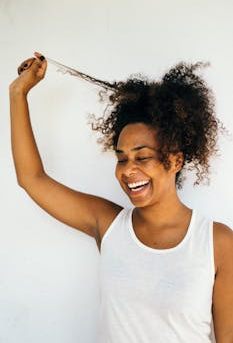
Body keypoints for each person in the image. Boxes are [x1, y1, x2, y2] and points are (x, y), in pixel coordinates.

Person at [9, 52, 233, 343]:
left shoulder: (217, 243)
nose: (129, 170)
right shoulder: (109, 225)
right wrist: (17, 94)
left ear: (176, 161)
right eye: (122, 159)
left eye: (142, 157)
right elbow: (32, 179)